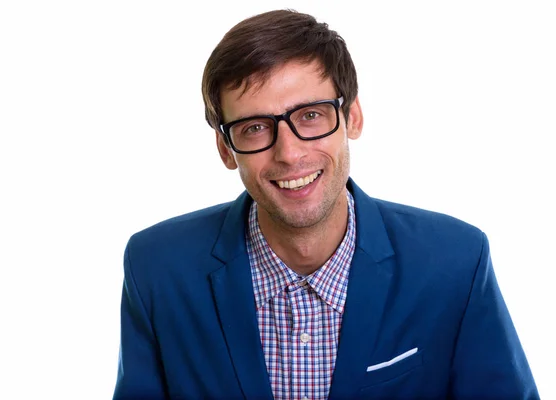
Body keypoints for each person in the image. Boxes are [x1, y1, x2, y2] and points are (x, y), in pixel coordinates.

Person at [112, 9, 538, 400]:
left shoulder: (456, 262)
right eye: (255, 127)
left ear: (352, 117)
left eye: (311, 115)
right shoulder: (156, 269)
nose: (289, 153)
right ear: (226, 149)